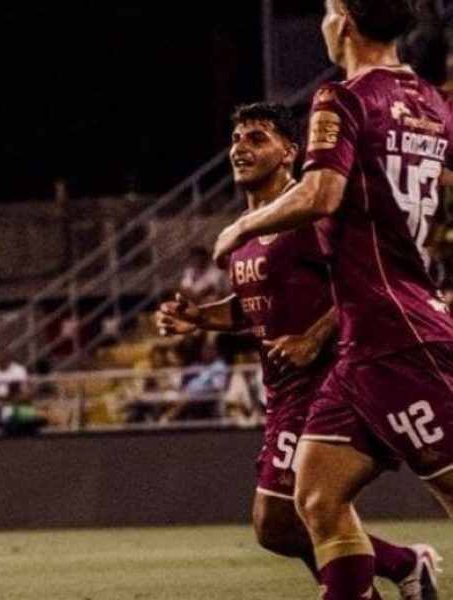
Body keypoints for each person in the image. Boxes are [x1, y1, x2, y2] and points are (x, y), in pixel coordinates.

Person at [210, 3, 453, 594]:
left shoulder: (342, 97)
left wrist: (243, 225)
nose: (321, 20)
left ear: (341, 19)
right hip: (364, 344)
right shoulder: (430, 102)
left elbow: (320, 192)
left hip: (399, 334)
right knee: (314, 499)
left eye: (324, 8)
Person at [167, 102, 435, 596]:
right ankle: (398, 568)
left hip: (329, 381)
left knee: (284, 518)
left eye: (257, 138)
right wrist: (202, 317)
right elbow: (259, 305)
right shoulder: (251, 226)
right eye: (237, 138)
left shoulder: (310, 213)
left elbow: (363, 284)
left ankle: (400, 565)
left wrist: (314, 337)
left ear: (291, 151)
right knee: (297, 521)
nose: (240, 148)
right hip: (284, 388)